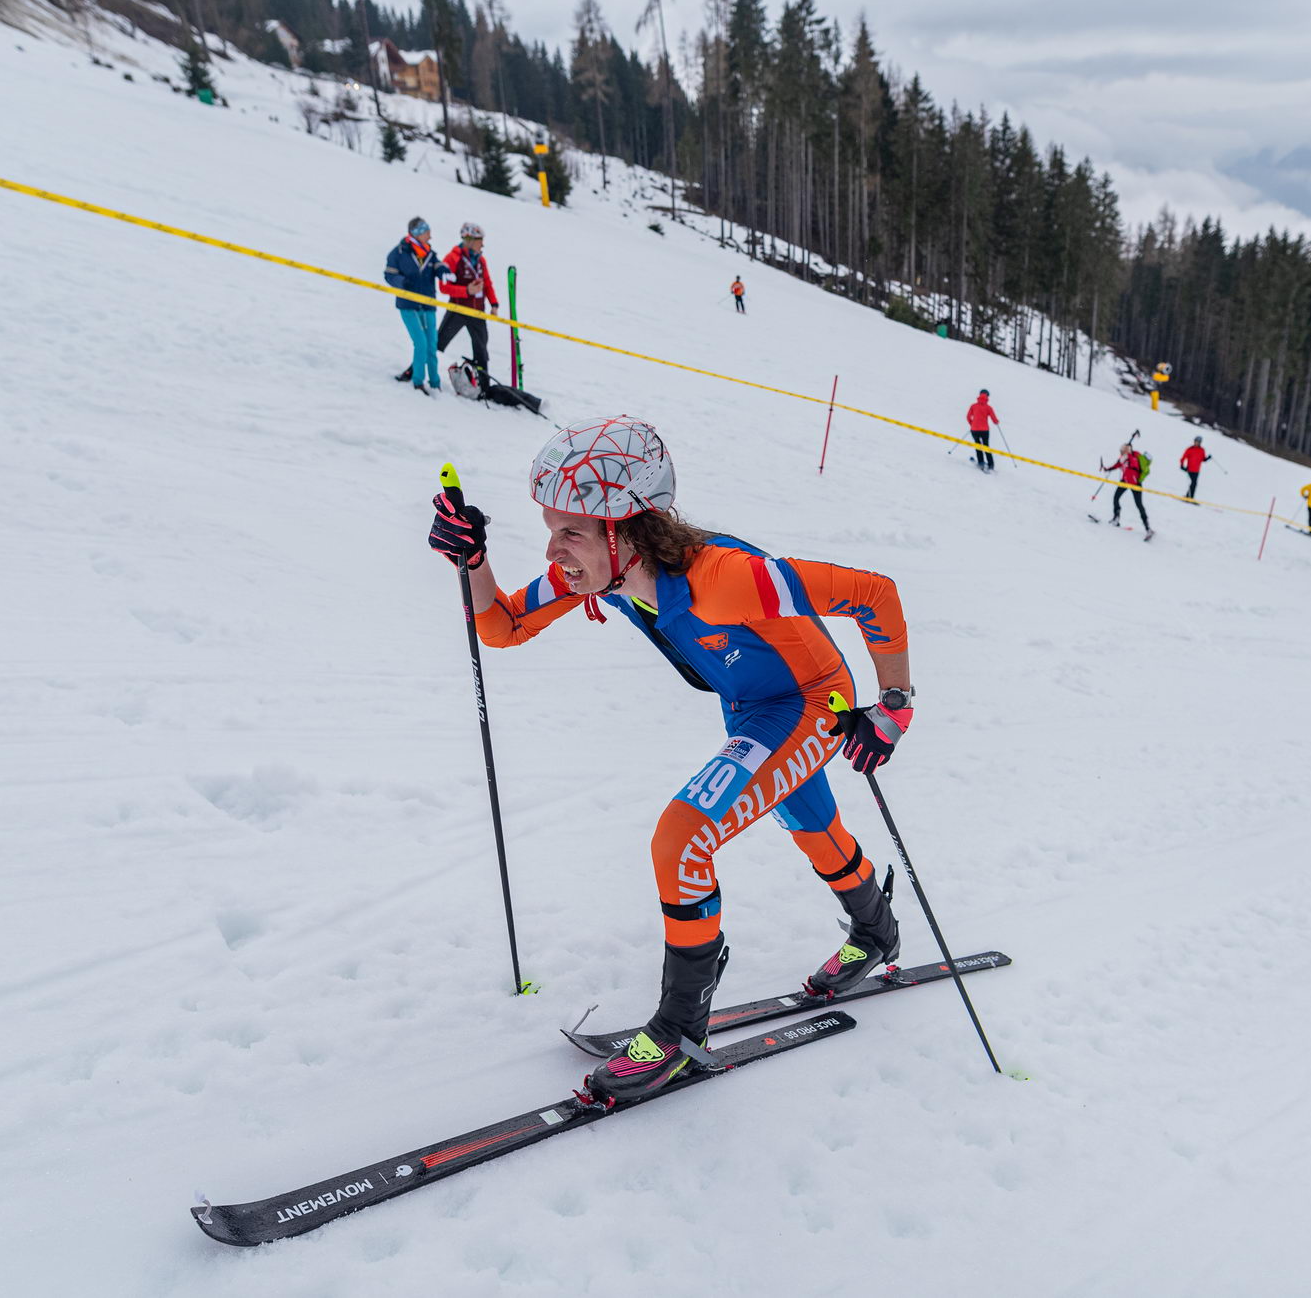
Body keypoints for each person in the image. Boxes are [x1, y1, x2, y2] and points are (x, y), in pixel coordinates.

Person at [427, 418, 913, 1106]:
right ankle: (876, 928)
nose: (553, 548)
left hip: (811, 701)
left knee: (683, 837)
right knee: (809, 821)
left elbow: (874, 593)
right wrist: (471, 564)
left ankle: (681, 1029)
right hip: (749, 704)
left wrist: (892, 707)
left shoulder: (732, 579)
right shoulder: (602, 574)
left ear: (626, 529)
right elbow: (502, 628)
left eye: (571, 531)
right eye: (550, 527)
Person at [398, 221, 496, 385]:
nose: (483, 244)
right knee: (437, 343)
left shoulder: (481, 260)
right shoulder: (453, 258)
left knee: (481, 350)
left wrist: (494, 303)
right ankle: (413, 370)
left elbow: (487, 282)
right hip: (457, 310)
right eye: (480, 240)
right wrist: (466, 291)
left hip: (477, 311)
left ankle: (484, 386)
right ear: (470, 240)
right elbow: (444, 287)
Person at [384, 216, 449, 394]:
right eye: (426, 231)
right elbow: (389, 274)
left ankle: (435, 382)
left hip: (428, 305)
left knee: (431, 344)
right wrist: (401, 282)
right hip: (408, 305)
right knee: (420, 343)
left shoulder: (429, 253)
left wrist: (444, 272)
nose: (430, 235)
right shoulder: (399, 252)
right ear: (417, 233)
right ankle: (418, 381)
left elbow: (438, 265)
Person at [1100, 442, 1154, 541]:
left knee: (1139, 505)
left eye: (1123, 450)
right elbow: (1117, 465)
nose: (1121, 451)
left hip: (1135, 483)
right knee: (1116, 498)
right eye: (1121, 450)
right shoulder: (1124, 458)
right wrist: (1107, 469)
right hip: (1125, 480)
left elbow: (1134, 465)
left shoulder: (1135, 456)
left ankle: (1148, 528)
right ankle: (1116, 518)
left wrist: (1128, 454)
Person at [967, 389, 1000, 472]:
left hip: (974, 429)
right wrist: (996, 422)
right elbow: (994, 419)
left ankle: (981, 462)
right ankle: (991, 464)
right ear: (987, 396)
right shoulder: (988, 408)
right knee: (986, 446)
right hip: (985, 430)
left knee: (978, 445)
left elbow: (968, 417)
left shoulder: (973, 406)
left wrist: (972, 424)